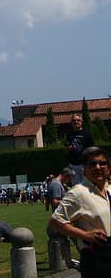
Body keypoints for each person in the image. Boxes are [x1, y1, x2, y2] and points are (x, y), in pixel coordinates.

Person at [49, 146, 111, 278]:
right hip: (96, 256)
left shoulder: (110, 189)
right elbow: (55, 222)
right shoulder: (78, 193)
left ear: (109, 168)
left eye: (102, 163)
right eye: (92, 164)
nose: (98, 167)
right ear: (84, 169)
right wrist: (86, 235)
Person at [66, 114, 94, 184]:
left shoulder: (87, 134)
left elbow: (92, 149)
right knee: (75, 186)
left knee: (86, 184)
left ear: (81, 122)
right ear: (71, 123)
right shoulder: (69, 134)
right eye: (74, 120)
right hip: (73, 164)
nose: (76, 122)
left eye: (78, 120)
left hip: (84, 164)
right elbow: (67, 143)